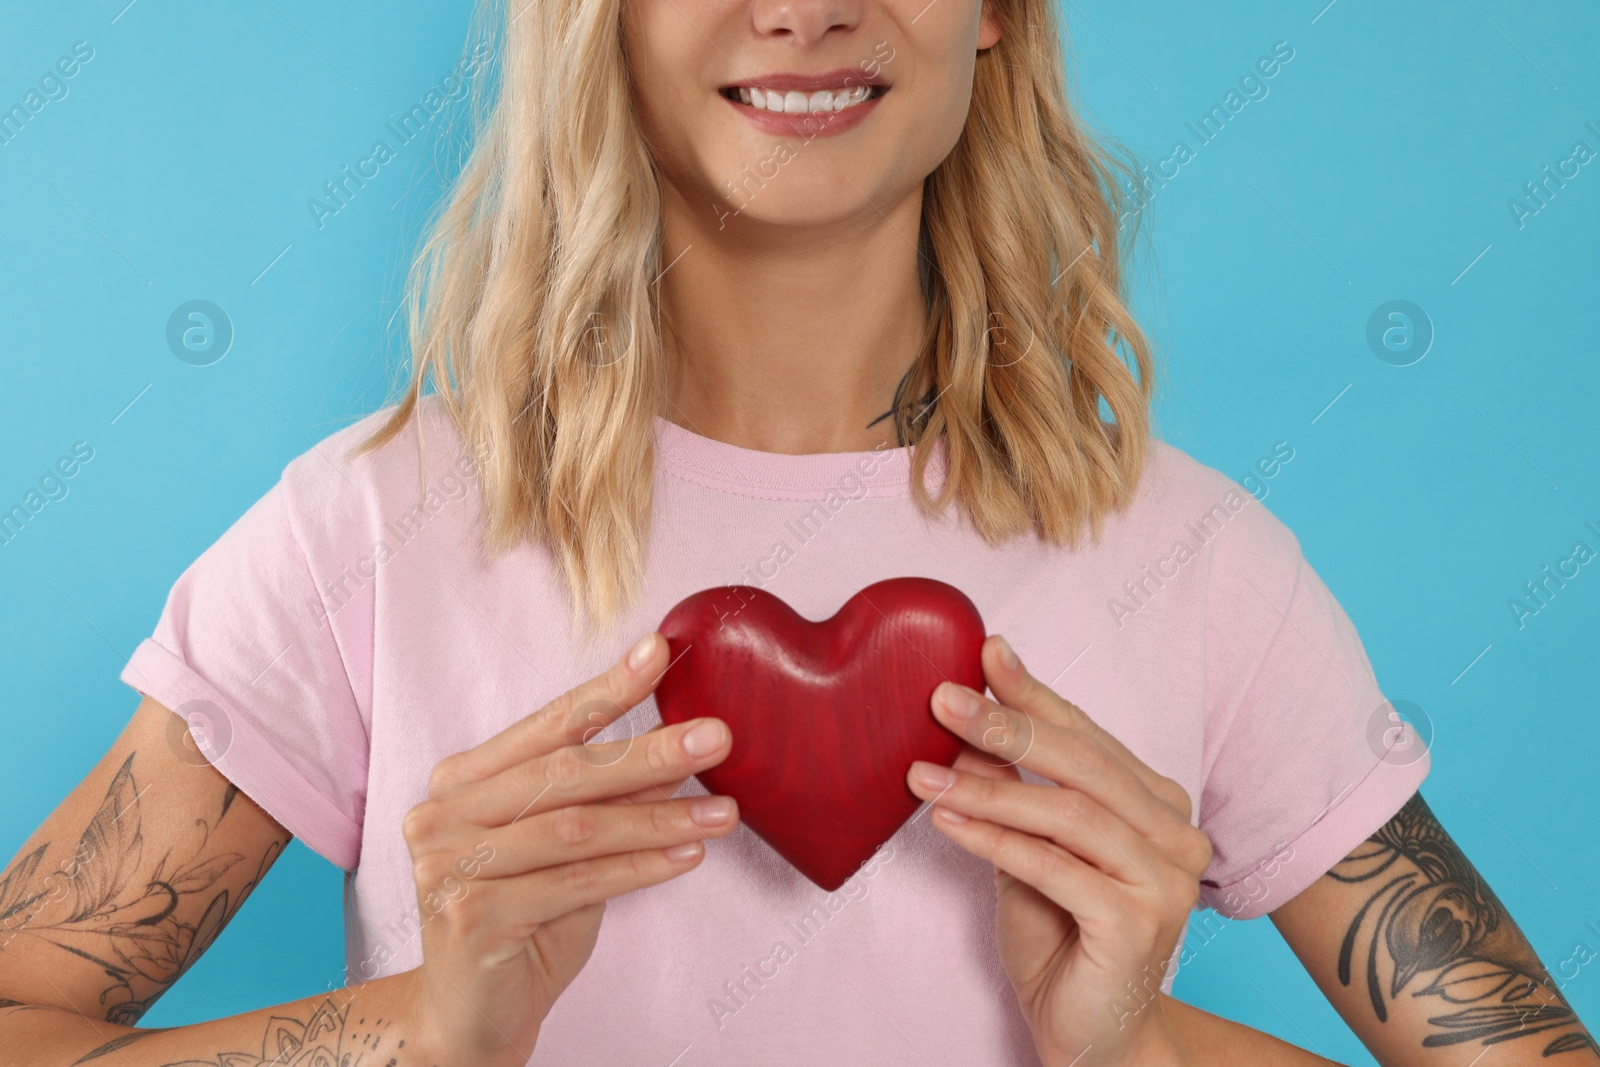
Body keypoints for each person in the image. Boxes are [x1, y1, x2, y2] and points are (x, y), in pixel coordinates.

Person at [0, 0, 1589, 1062]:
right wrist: (427, 1030)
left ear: (996, 14)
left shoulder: (1203, 563)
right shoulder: (368, 528)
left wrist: (1140, 1047)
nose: (807, 3)